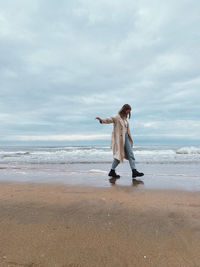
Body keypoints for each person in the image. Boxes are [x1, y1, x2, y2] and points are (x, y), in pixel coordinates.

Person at [95, 104, 144, 179]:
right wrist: (102, 120)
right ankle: (112, 171)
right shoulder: (117, 117)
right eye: (128, 111)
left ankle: (134, 171)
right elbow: (110, 119)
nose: (129, 113)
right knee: (118, 156)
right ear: (124, 109)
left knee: (130, 154)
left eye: (129, 112)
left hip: (126, 138)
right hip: (120, 139)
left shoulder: (125, 119)